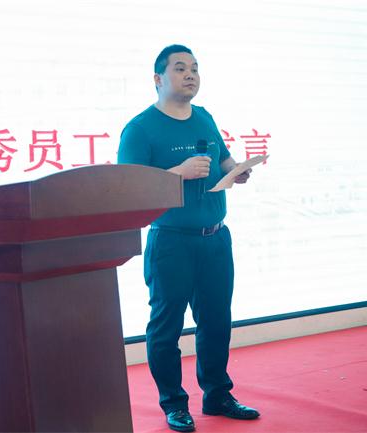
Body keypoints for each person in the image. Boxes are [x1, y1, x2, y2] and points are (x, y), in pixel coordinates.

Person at [117, 44, 259, 432]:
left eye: (195, 68)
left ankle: (217, 394)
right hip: (171, 241)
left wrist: (237, 170)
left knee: (217, 322)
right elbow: (127, 188)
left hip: (215, 239)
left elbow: (223, 160)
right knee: (167, 326)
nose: (190, 74)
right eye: (180, 68)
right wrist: (176, 172)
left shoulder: (205, 117)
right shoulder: (140, 128)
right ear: (158, 79)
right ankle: (174, 403)